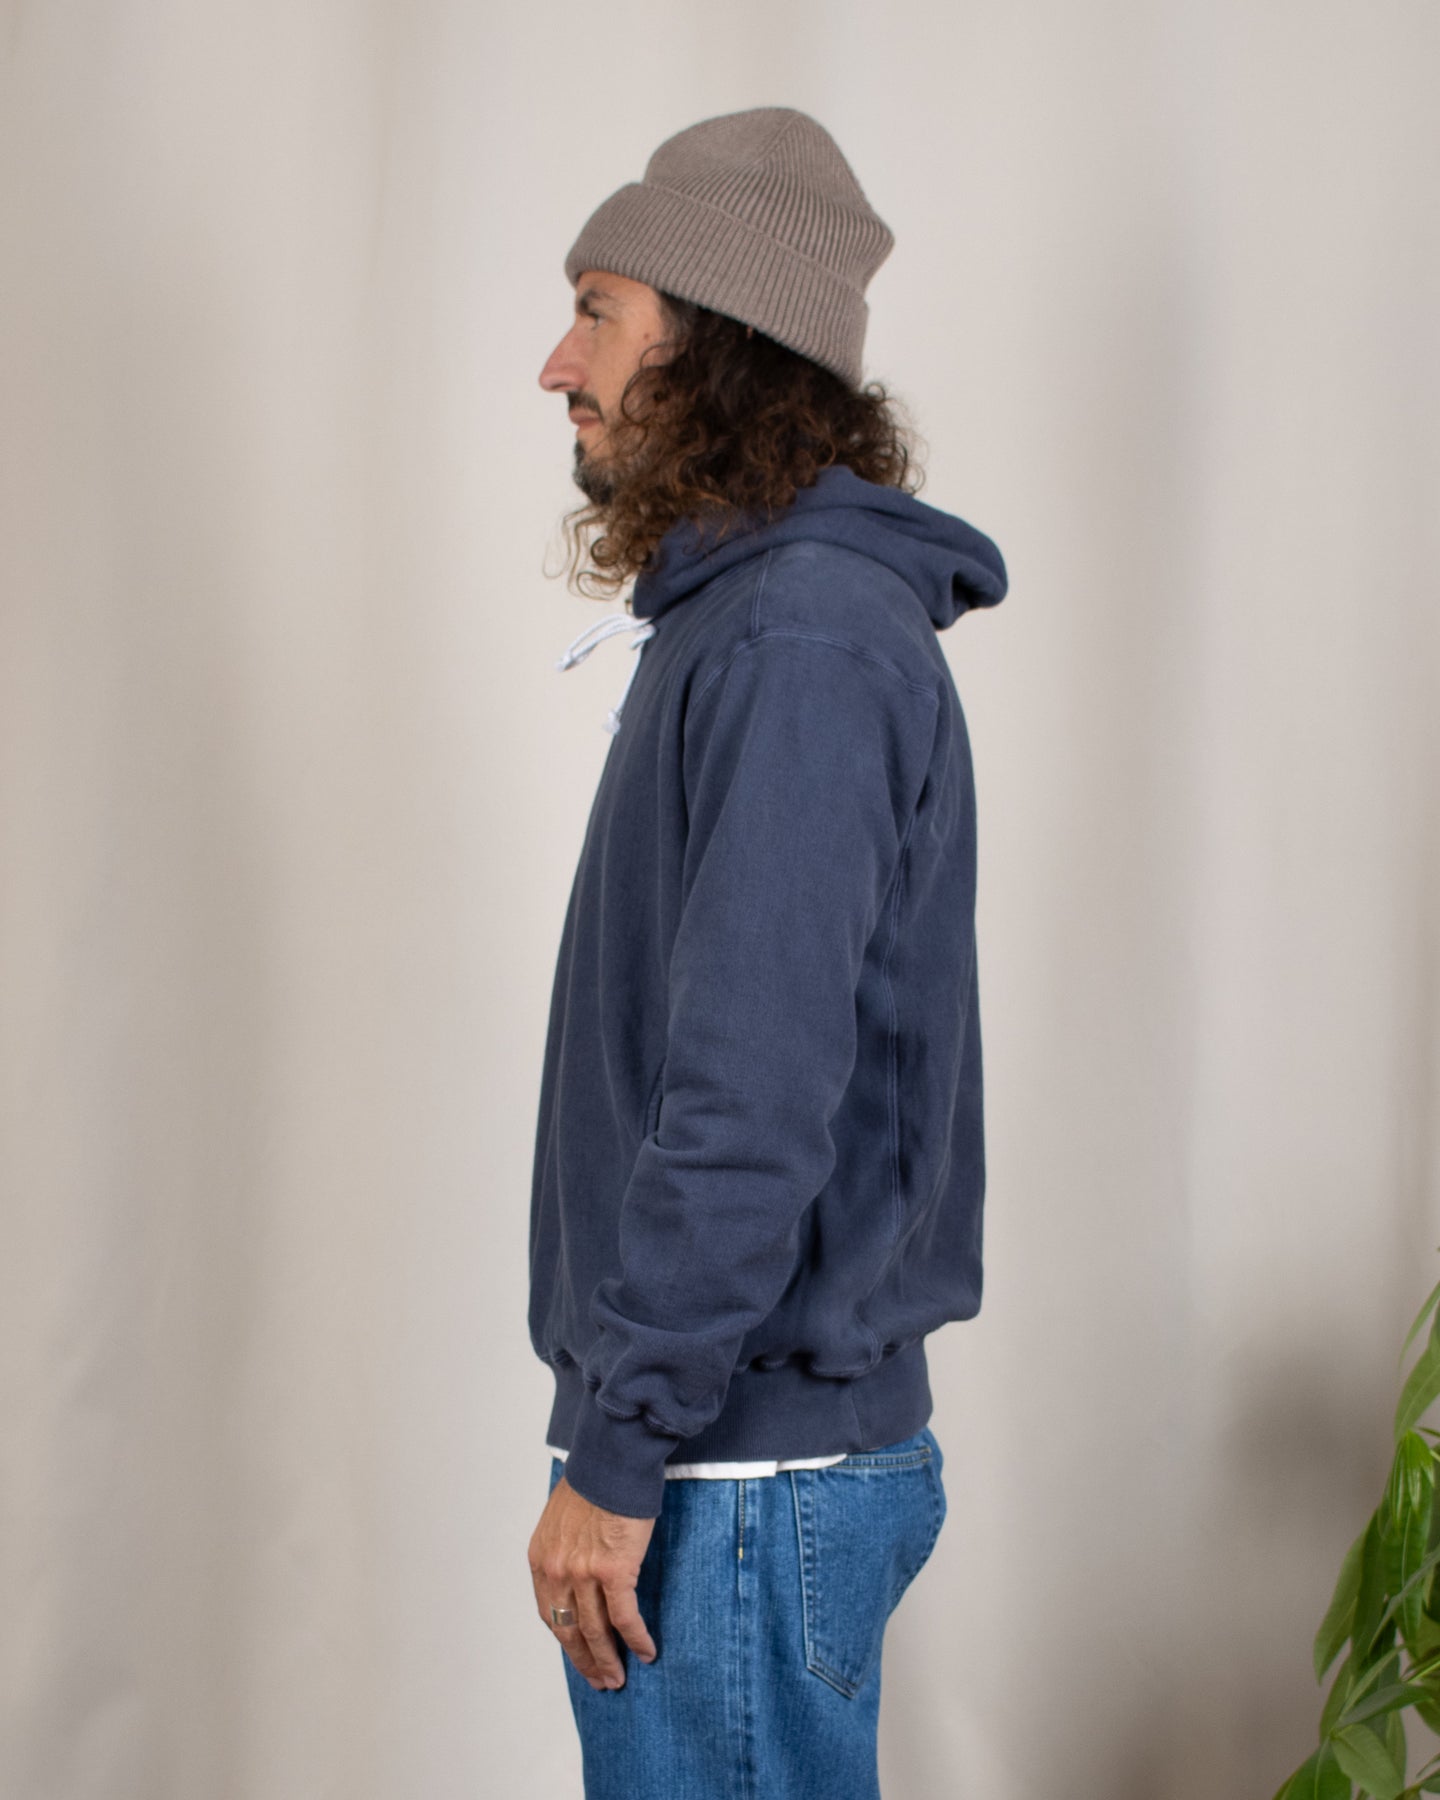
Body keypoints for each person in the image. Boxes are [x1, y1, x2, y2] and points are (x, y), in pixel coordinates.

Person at [525, 105, 1009, 1799]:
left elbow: (749, 1097)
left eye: (597, 314)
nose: (557, 366)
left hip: (730, 1484)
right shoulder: (751, 624)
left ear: (715, 347)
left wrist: (624, 1448)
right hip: (727, 1468)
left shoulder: (802, 640)